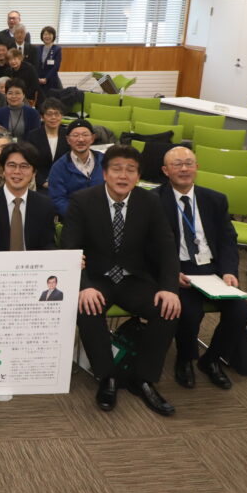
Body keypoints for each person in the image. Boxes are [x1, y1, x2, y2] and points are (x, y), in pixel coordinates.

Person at [61, 145, 181, 417]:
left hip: (133, 278)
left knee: (169, 309)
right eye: (116, 169)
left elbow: (167, 248)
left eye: (130, 170)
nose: (123, 175)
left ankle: (144, 378)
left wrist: (169, 289)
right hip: (97, 278)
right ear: (104, 173)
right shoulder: (82, 201)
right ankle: (107, 377)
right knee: (87, 309)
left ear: (138, 176)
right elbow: (69, 248)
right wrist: (84, 286)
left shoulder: (149, 202)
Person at [158, 146, 247, 390]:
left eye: (189, 163)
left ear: (197, 167)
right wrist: (170, 273)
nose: (184, 169)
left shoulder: (215, 200)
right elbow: (148, 245)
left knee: (240, 312)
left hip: (213, 270)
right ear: (165, 170)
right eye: (177, 164)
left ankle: (211, 359)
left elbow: (228, 240)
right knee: (189, 312)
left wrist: (229, 271)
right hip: (180, 268)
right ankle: (185, 359)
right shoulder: (154, 200)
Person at [0, 142, 58, 259]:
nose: (17, 171)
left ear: (33, 173)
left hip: (32, 266)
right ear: (3, 170)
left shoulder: (44, 205)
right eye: (11, 165)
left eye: (24, 166)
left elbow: (48, 244)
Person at [48, 119, 103, 216]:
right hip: (73, 217)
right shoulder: (59, 167)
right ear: (68, 140)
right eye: (75, 135)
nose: (81, 139)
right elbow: (58, 199)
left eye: (85, 135)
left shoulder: (105, 160)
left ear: (92, 138)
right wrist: (77, 216)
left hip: (102, 214)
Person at [27, 98, 68, 189]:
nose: (53, 117)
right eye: (49, 114)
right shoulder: (33, 136)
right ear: (42, 117)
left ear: (61, 116)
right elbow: (29, 162)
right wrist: (43, 182)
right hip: (40, 184)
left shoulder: (68, 135)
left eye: (57, 114)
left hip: (64, 182)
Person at [37, 26, 63, 91]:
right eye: (45, 34)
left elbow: (56, 67)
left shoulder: (57, 49)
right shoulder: (38, 48)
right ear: (42, 36)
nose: (47, 36)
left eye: (49, 34)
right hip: (39, 80)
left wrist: (46, 78)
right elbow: (35, 65)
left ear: (53, 36)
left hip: (51, 80)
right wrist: (37, 78)